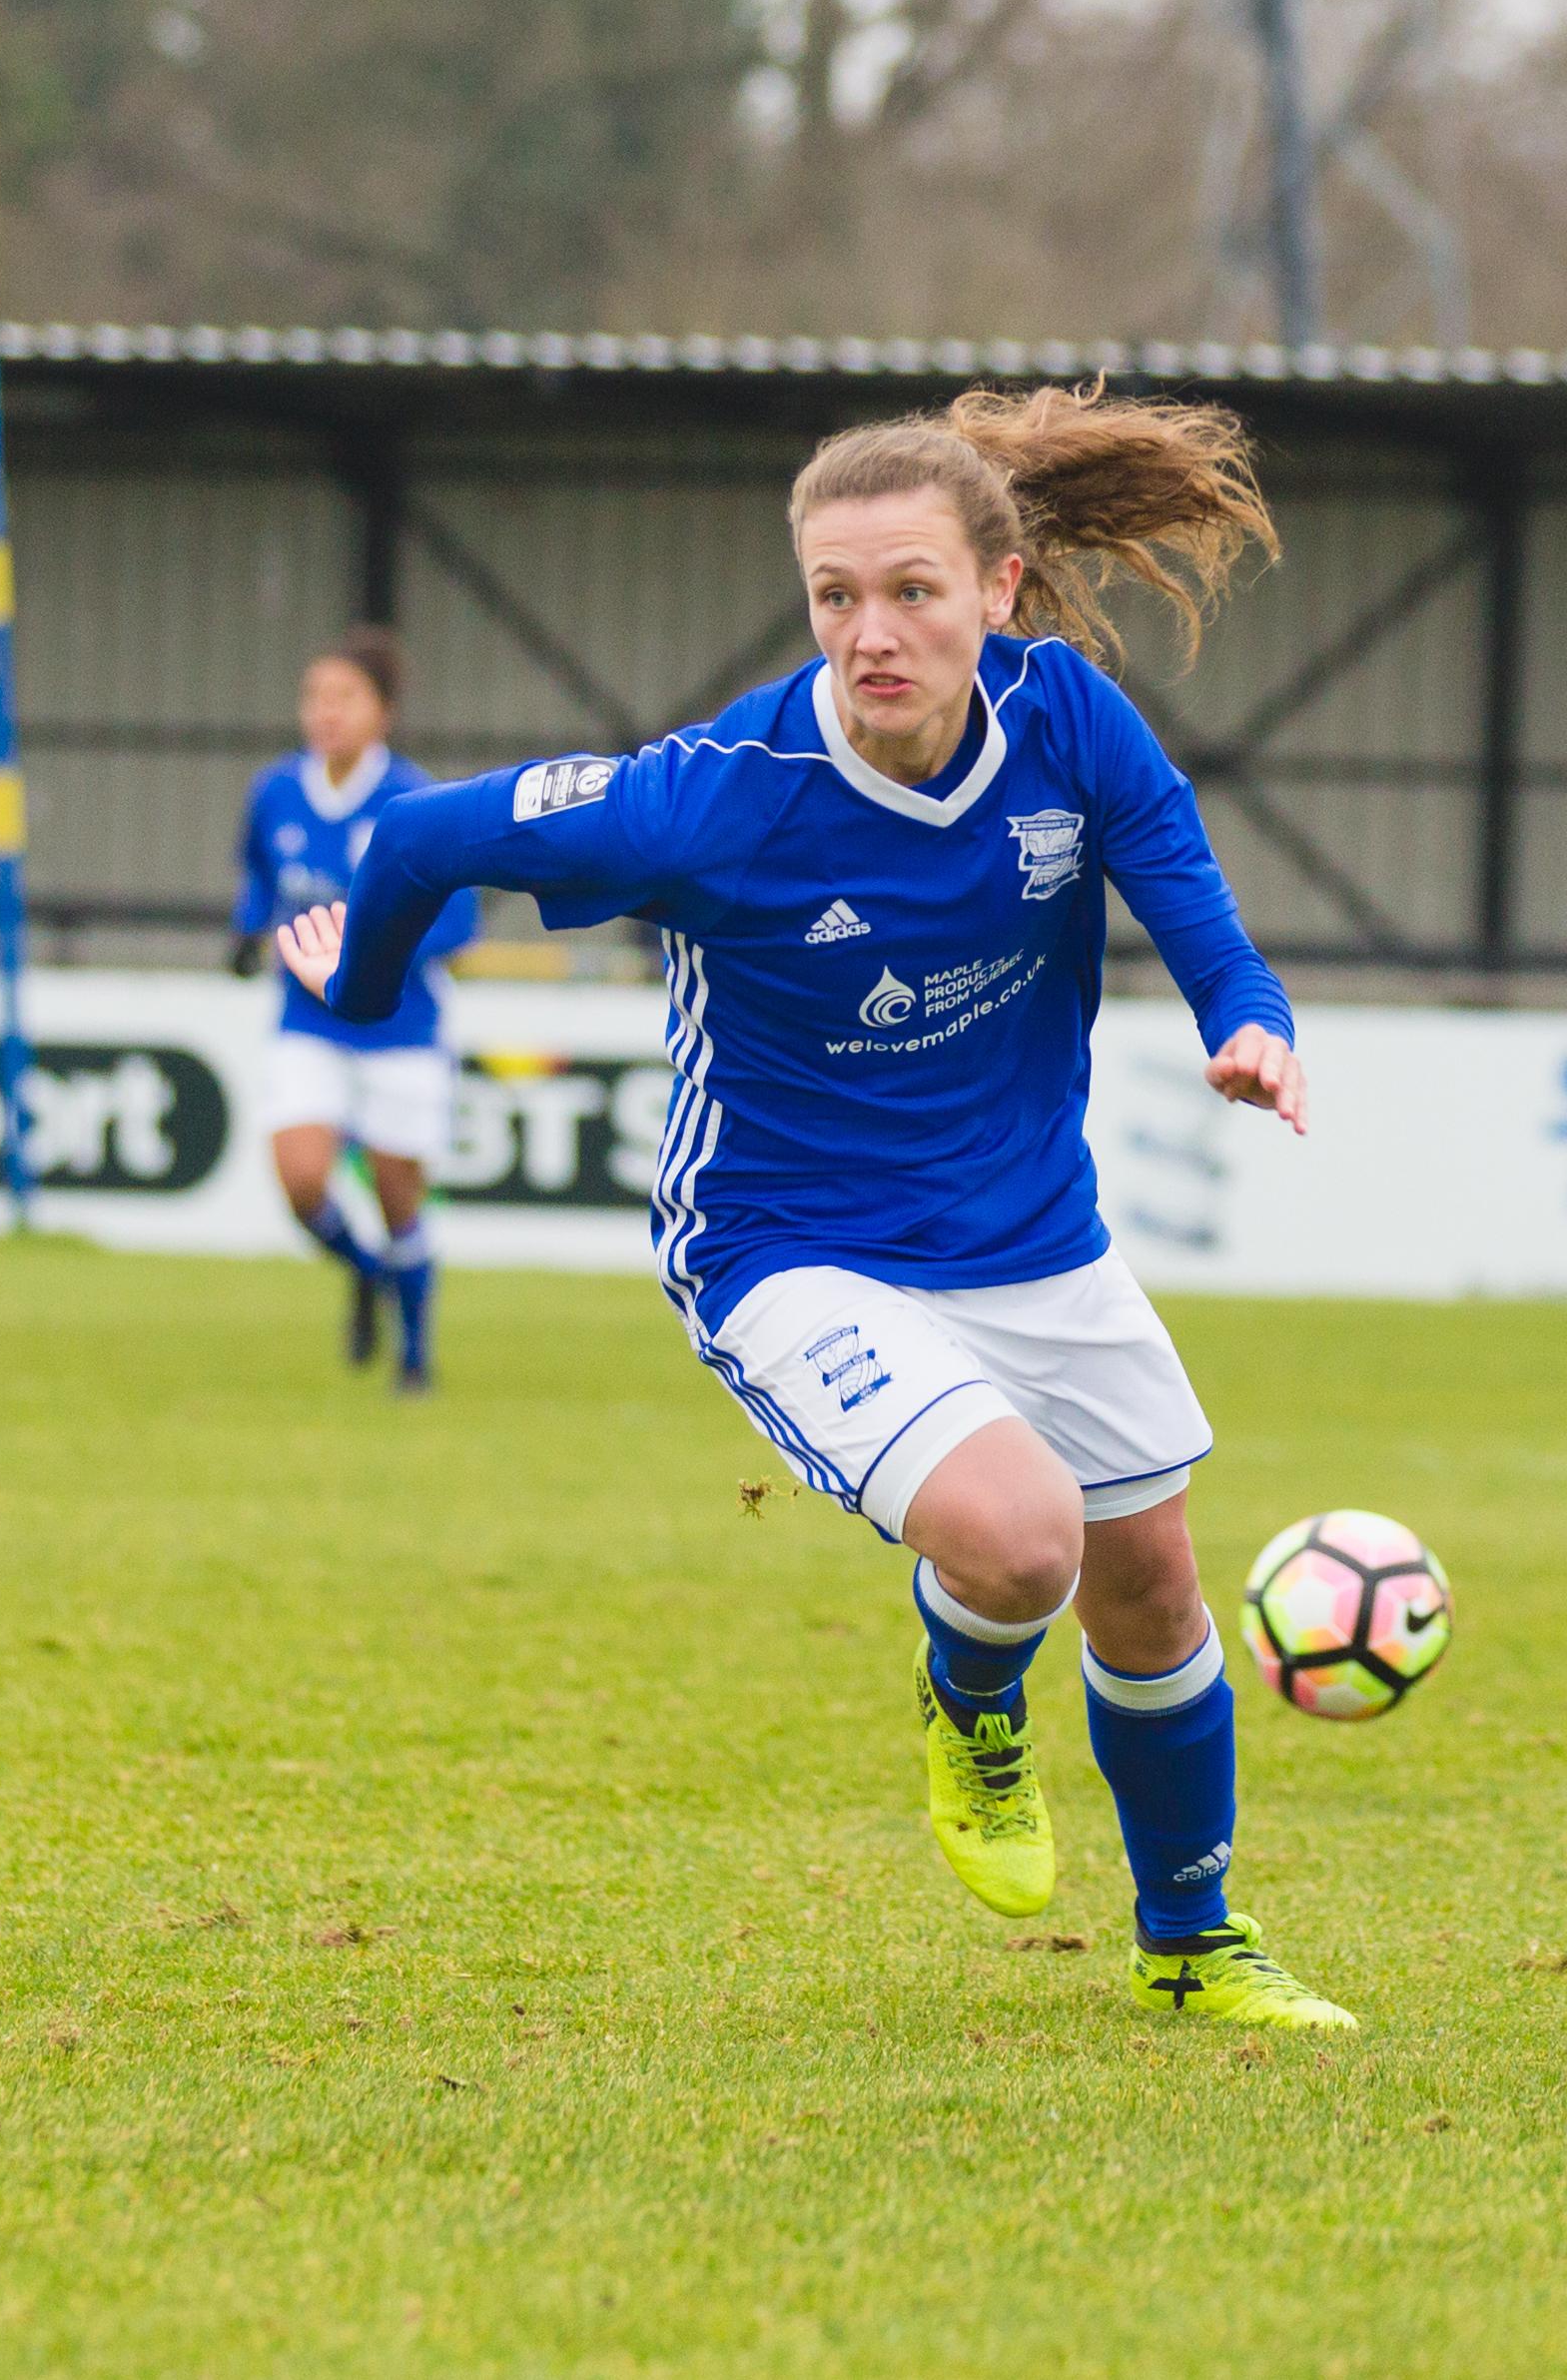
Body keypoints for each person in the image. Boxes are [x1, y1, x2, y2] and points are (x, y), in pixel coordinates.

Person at [272, 391, 1349, 2029]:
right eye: (834, 595)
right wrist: (349, 998)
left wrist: (1243, 1015)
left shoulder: (1066, 723)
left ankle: (1193, 1943)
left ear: (998, 589)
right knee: (1019, 1543)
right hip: (786, 1243)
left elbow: (1175, 868)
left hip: (1030, 1232)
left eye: (911, 588)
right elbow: (416, 838)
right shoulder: (714, 796)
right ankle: (968, 1696)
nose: (870, 630)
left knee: (1148, 1582)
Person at [231, 625, 476, 1392]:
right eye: (314, 696)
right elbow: (257, 879)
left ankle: (414, 1352)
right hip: (309, 1020)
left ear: (384, 711)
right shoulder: (274, 791)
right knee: (303, 1182)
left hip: (399, 1024)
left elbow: (459, 919)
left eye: (344, 697)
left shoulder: (415, 799)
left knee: (398, 1191)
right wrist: (247, 932)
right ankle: (367, 1272)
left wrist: (372, 953)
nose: (324, 712)